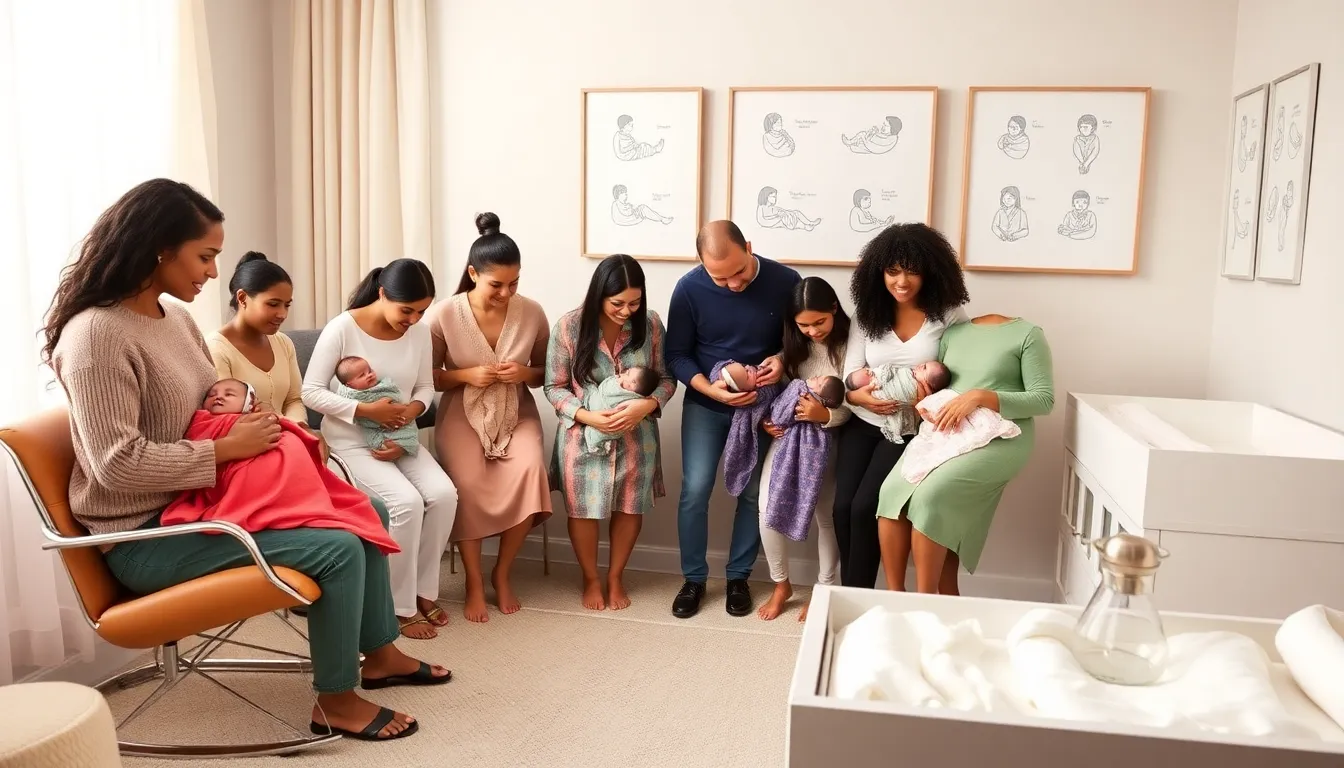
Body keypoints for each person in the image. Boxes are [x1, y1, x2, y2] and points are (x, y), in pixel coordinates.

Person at [45, 179, 447, 742]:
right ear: (160, 246)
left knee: (368, 509)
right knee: (336, 549)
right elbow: (116, 466)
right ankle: (335, 700)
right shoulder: (95, 337)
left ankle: (379, 653)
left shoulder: (173, 319)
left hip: (203, 501)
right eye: (206, 256)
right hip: (146, 536)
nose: (213, 272)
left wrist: (258, 426)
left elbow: (217, 401)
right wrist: (225, 448)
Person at [302, 258, 458, 640]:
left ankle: (423, 592)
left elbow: (424, 386)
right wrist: (363, 410)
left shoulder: (419, 333)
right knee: (405, 503)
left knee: (443, 495)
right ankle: (396, 606)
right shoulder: (343, 328)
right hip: (352, 444)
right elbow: (311, 391)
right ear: (383, 293)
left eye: (421, 311)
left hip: (401, 436)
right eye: (407, 310)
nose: (413, 319)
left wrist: (413, 409)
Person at [665, 220, 801, 619]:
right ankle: (693, 579)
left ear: (750, 247)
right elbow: (676, 355)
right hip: (707, 404)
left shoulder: (785, 280)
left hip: (761, 407)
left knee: (753, 493)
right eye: (719, 278)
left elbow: (799, 342)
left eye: (738, 272)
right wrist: (709, 389)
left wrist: (781, 360)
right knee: (695, 489)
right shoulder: (689, 288)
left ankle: (739, 576)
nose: (733, 285)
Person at [427, 212, 552, 623]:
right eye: (496, 284)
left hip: (516, 411)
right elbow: (429, 379)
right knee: (467, 482)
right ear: (472, 274)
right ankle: (474, 581)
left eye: (514, 283)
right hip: (460, 413)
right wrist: (466, 375)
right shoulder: (444, 314)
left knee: (532, 469)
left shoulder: (532, 312)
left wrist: (523, 373)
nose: (506, 292)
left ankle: (502, 570)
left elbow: (547, 374)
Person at [876, 314, 1054, 595]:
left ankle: (926, 603)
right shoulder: (953, 334)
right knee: (890, 491)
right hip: (948, 429)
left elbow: (1043, 400)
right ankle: (895, 597)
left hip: (1004, 433)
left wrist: (979, 396)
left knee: (931, 497)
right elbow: (941, 385)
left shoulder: (1029, 335)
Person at [838, 223, 969, 590]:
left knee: (866, 507)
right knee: (842, 508)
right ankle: (850, 593)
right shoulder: (867, 314)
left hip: (910, 430)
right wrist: (856, 395)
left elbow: (963, 377)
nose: (902, 281)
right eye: (893, 271)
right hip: (863, 421)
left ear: (931, 270)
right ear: (878, 271)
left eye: (912, 270)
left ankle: (859, 597)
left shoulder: (949, 316)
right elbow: (850, 373)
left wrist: (928, 398)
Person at [544, 254, 677, 611]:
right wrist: (589, 417)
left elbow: (666, 378)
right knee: (583, 510)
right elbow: (554, 387)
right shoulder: (569, 327)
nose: (626, 310)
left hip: (638, 435)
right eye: (618, 303)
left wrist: (647, 405)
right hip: (581, 436)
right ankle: (590, 578)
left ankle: (616, 576)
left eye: (634, 302)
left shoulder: (650, 325)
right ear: (599, 294)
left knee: (631, 507)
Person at [160, 379, 399, 556]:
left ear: (248, 403)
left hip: (285, 470)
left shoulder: (282, 346)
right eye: (211, 394)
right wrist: (234, 439)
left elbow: (293, 403)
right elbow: (199, 442)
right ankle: (287, 510)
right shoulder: (205, 420)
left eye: (229, 393)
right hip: (238, 484)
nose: (218, 397)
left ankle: (382, 621)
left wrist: (290, 425)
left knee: (373, 509)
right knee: (346, 542)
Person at [757, 277, 851, 621]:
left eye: (819, 322)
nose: (812, 331)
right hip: (789, 438)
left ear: (834, 310)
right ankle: (781, 584)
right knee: (766, 509)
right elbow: (778, 393)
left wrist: (825, 414)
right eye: (803, 324)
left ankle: (824, 587)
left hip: (830, 438)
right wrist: (768, 419)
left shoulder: (851, 345)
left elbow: (856, 399)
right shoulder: (791, 349)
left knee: (826, 517)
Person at [845, 360, 951, 444]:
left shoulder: (921, 391)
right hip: (862, 420)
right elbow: (848, 382)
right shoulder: (905, 372)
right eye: (924, 364)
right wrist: (852, 397)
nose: (920, 365)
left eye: (924, 368)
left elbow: (925, 412)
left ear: (928, 383)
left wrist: (923, 401)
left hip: (898, 432)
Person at [333, 356, 422, 456]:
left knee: (408, 431)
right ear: (349, 385)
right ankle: (388, 447)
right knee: (381, 443)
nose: (369, 375)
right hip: (370, 432)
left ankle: (403, 446)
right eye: (362, 375)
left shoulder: (383, 385)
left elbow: (395, 394)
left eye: (370, 371)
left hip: (400, 420)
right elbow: (356, 414)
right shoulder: (351, 396)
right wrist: (372, 411)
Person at [578, 365, 662, 455]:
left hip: (638, 448)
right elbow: (560, 388)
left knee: (598, 435)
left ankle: (594, 444)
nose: (622, 373)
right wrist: (584, 416)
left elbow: (666, 379)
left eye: (627, 373)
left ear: (633, 383)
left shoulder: (621, 387)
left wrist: (652, 403)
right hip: (580, 444)